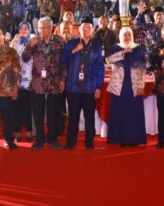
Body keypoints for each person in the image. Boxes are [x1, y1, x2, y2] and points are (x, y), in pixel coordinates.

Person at [22, 17, 66, 150]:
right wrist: (30, 46)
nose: (42, 30)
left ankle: (52, 138)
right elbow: (25, 58)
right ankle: (39, 138)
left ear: (51, 27)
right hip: (38, 82)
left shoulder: (60, 41)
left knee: (53, 112)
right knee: (37, 112)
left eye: (45, 27)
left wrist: (63, 79)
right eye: (40, 28)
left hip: (54, 82)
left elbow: (64, 62)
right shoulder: (35, 41)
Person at [62, 16, 104, 150]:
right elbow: (63, 60)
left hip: (89, 88)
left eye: (89, 28)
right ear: (79, 30)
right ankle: (70, 142)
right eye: (83, 28)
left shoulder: (97, 46)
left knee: (89, 118)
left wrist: (98, 87)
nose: (86, 31)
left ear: (92, 31)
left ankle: (89, 141)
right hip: (73, 87)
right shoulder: (71, 43)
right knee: (72, 117)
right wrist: (74, 50)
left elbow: (100, 68)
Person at [107, 26, 147, 147]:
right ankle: (120, 139)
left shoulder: (139, 49)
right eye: (125, 35)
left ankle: (133, 139)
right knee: (120, 112)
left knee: (133, 113)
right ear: (120, 36)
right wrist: (123, 53)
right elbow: (109, 59)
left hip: (134, 86)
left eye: (129, 35)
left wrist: (141, 86)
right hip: (119, 86)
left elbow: (143, 69)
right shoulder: (115, 48)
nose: (127, 37)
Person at [10, 21, 35, 142]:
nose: (24, 30)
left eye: (26, 28)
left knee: (29, 107)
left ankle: (30, 131)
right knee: (17, 108)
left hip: (30, 79)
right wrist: (14, 40)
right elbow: (9, 54)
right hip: (17, 80)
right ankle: (17, 131)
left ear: (30, 30)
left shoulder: (33, 42)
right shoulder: (16, 42)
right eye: (22, 28)